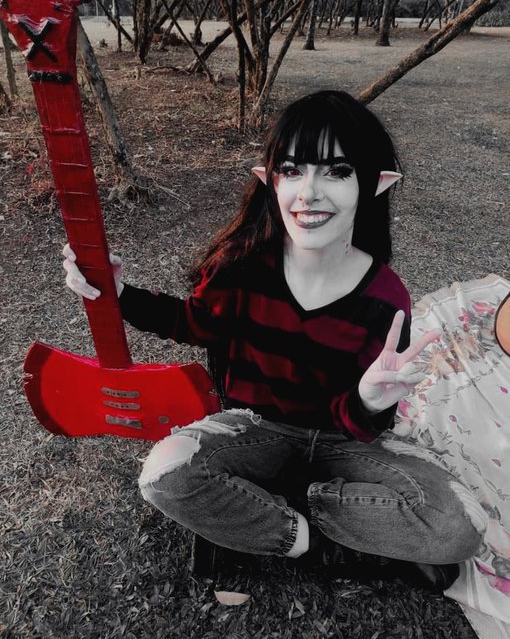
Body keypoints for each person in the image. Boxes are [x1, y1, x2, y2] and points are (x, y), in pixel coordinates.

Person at [63, 90, 487, 590]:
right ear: (270, 179)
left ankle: (289, 504)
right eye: (291, 169)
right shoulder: (240, 267)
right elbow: (192, 324)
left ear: (377, 183)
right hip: (254, 428)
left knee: (460, 526)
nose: (308, 192)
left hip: (342, 441)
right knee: (164, 477)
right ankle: (312, 542)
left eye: (337, 171)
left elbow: (363, 425)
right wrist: (119, 294)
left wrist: (370, 400)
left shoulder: (385, 297)